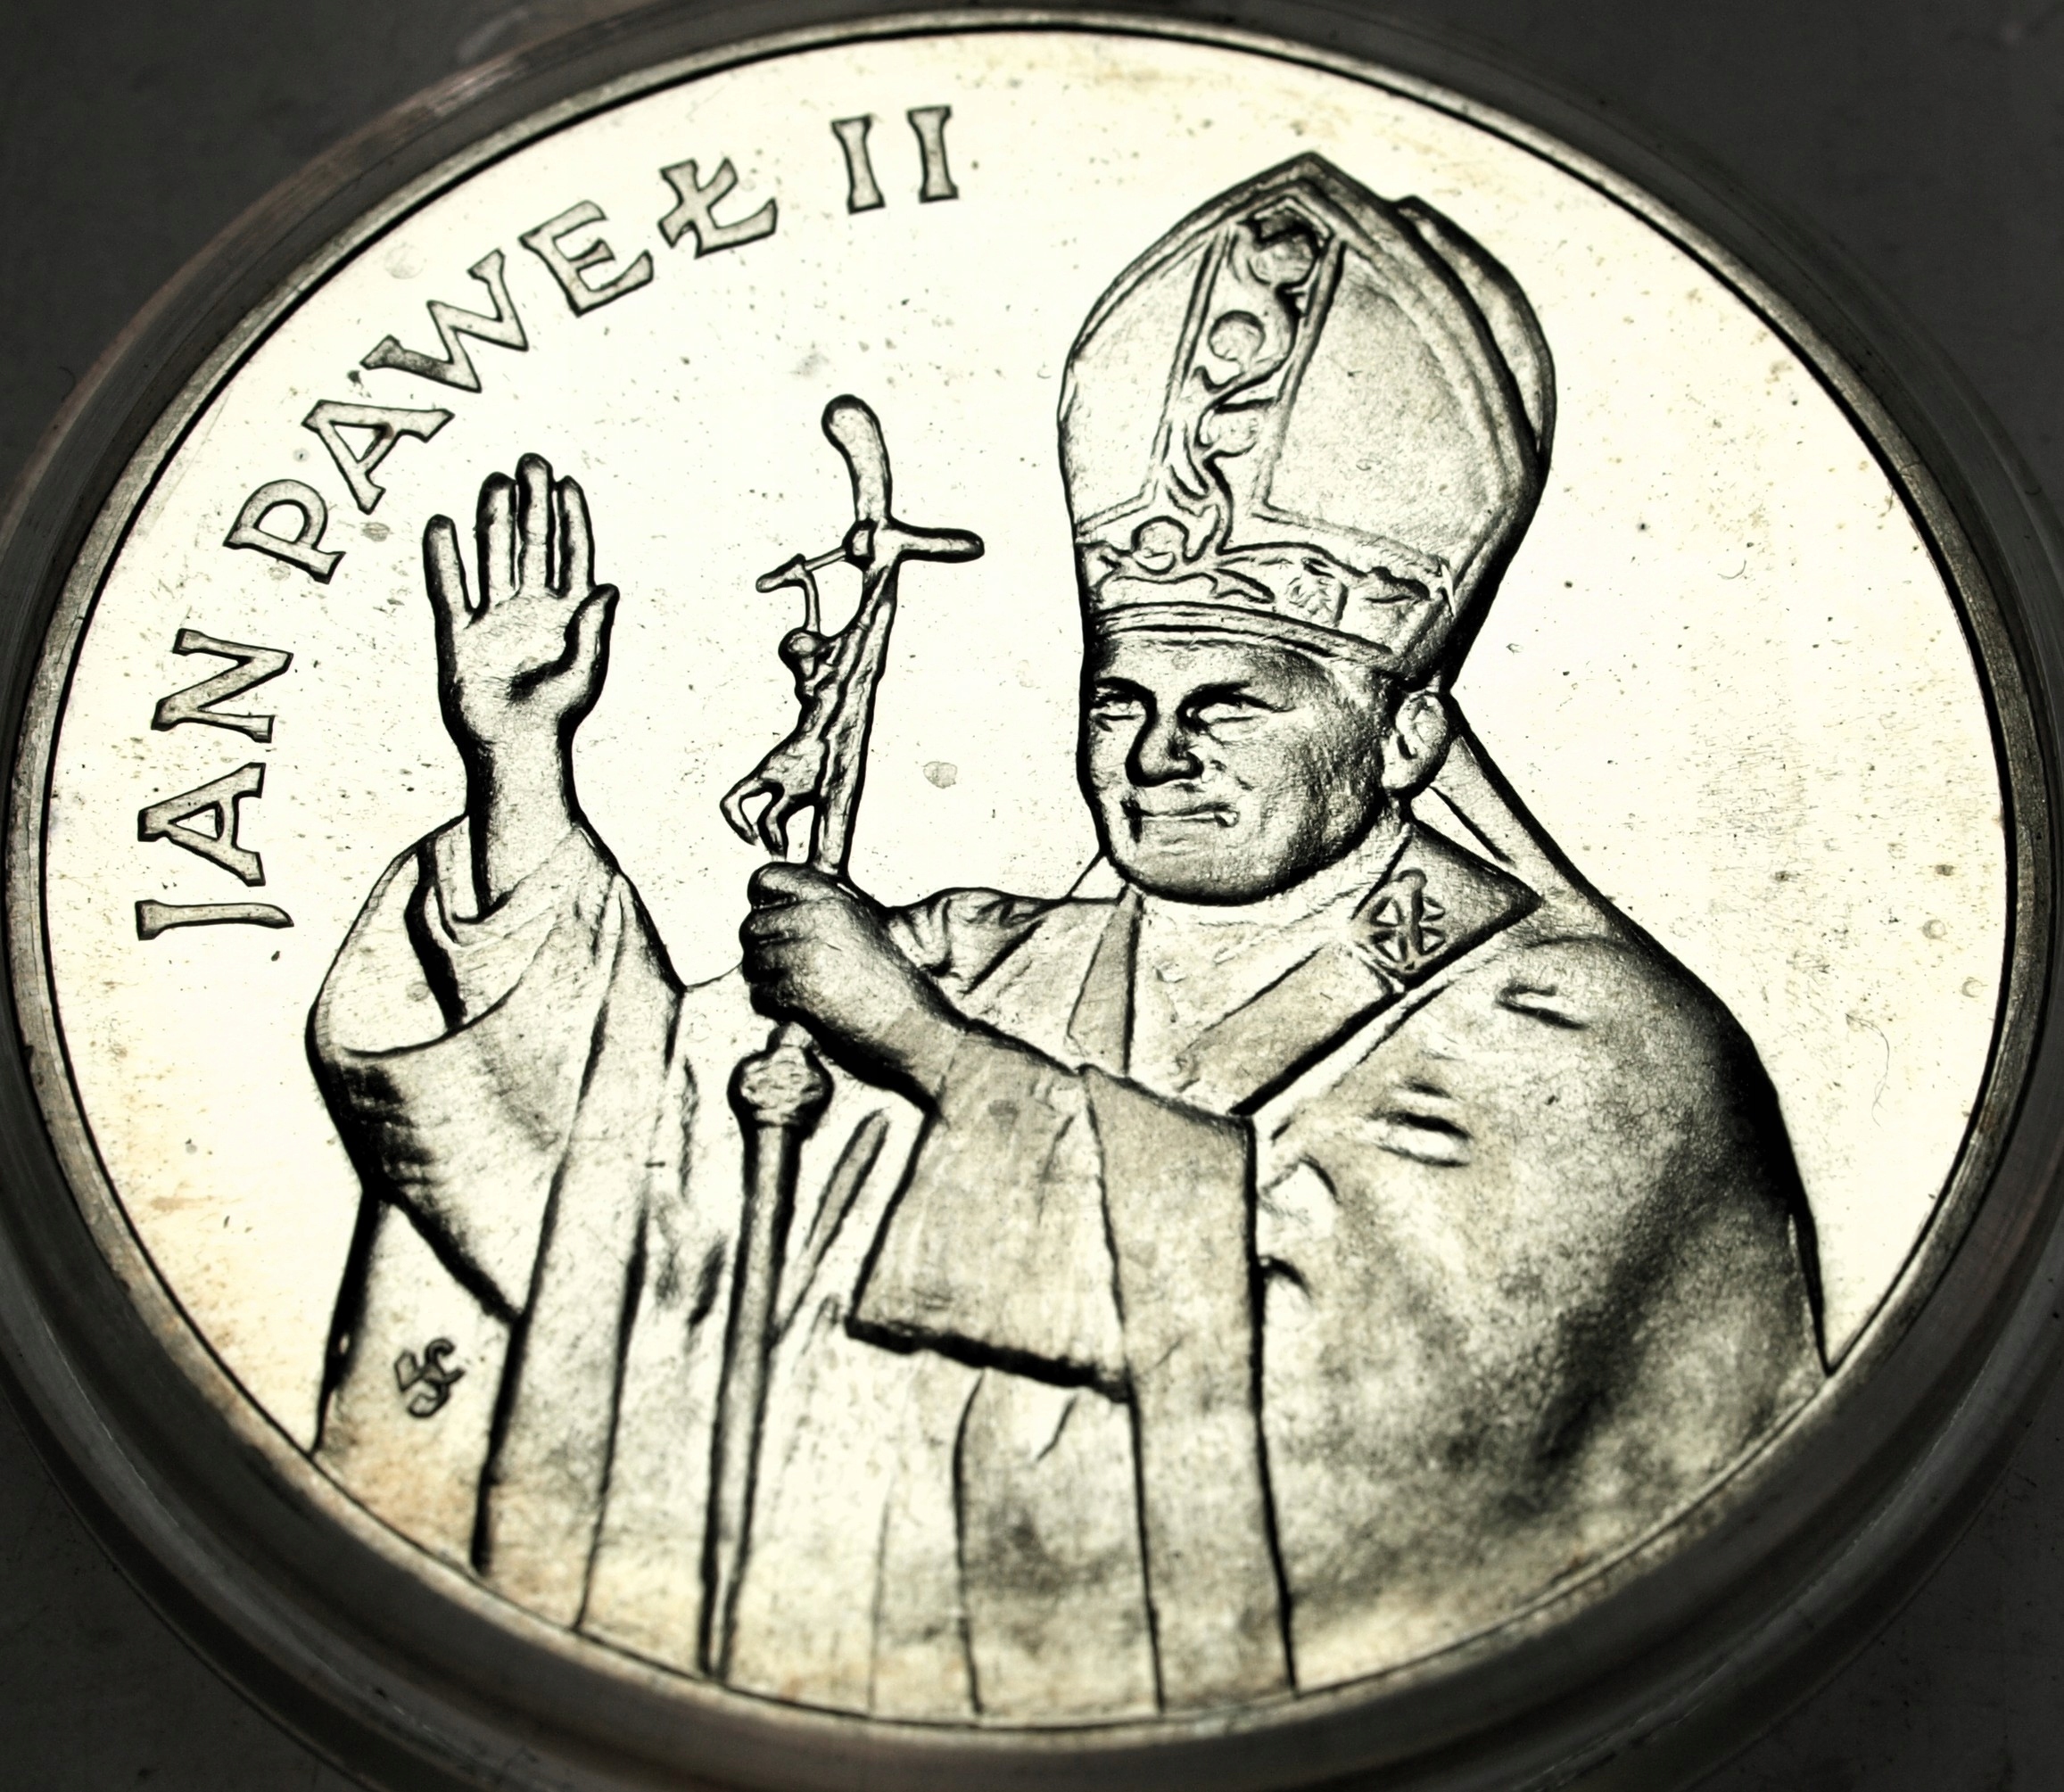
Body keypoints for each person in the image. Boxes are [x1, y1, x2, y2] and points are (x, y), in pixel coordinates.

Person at [306, 154, 1824, 1722]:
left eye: (1227, 705)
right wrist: (520, 770)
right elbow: (630, 1179)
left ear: (1407, 733)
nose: (1155, 754)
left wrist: (927, 1051)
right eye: (1119, 701)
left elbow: (1355, 1411)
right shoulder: (996, 955)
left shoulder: (1590, 1041)